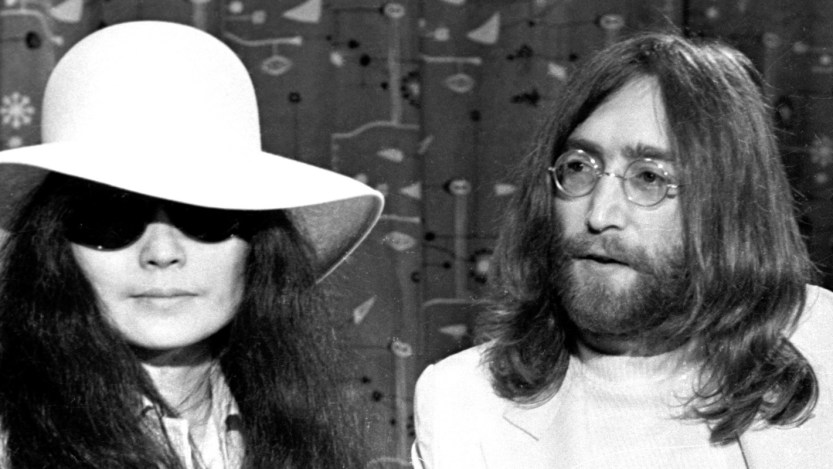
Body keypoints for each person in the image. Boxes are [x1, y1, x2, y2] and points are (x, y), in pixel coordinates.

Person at [412, 32, 833, 468]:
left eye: (649, 177)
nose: (599, 214)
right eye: (580, 167)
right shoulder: (461, 401)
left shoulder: (823, 347)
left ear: (726, 206)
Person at [0, 21, 383, 468]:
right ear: (54, 250)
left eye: (205, 217)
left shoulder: (301, 439)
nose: (162, 253)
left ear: (259, 248)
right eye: (110, 222)